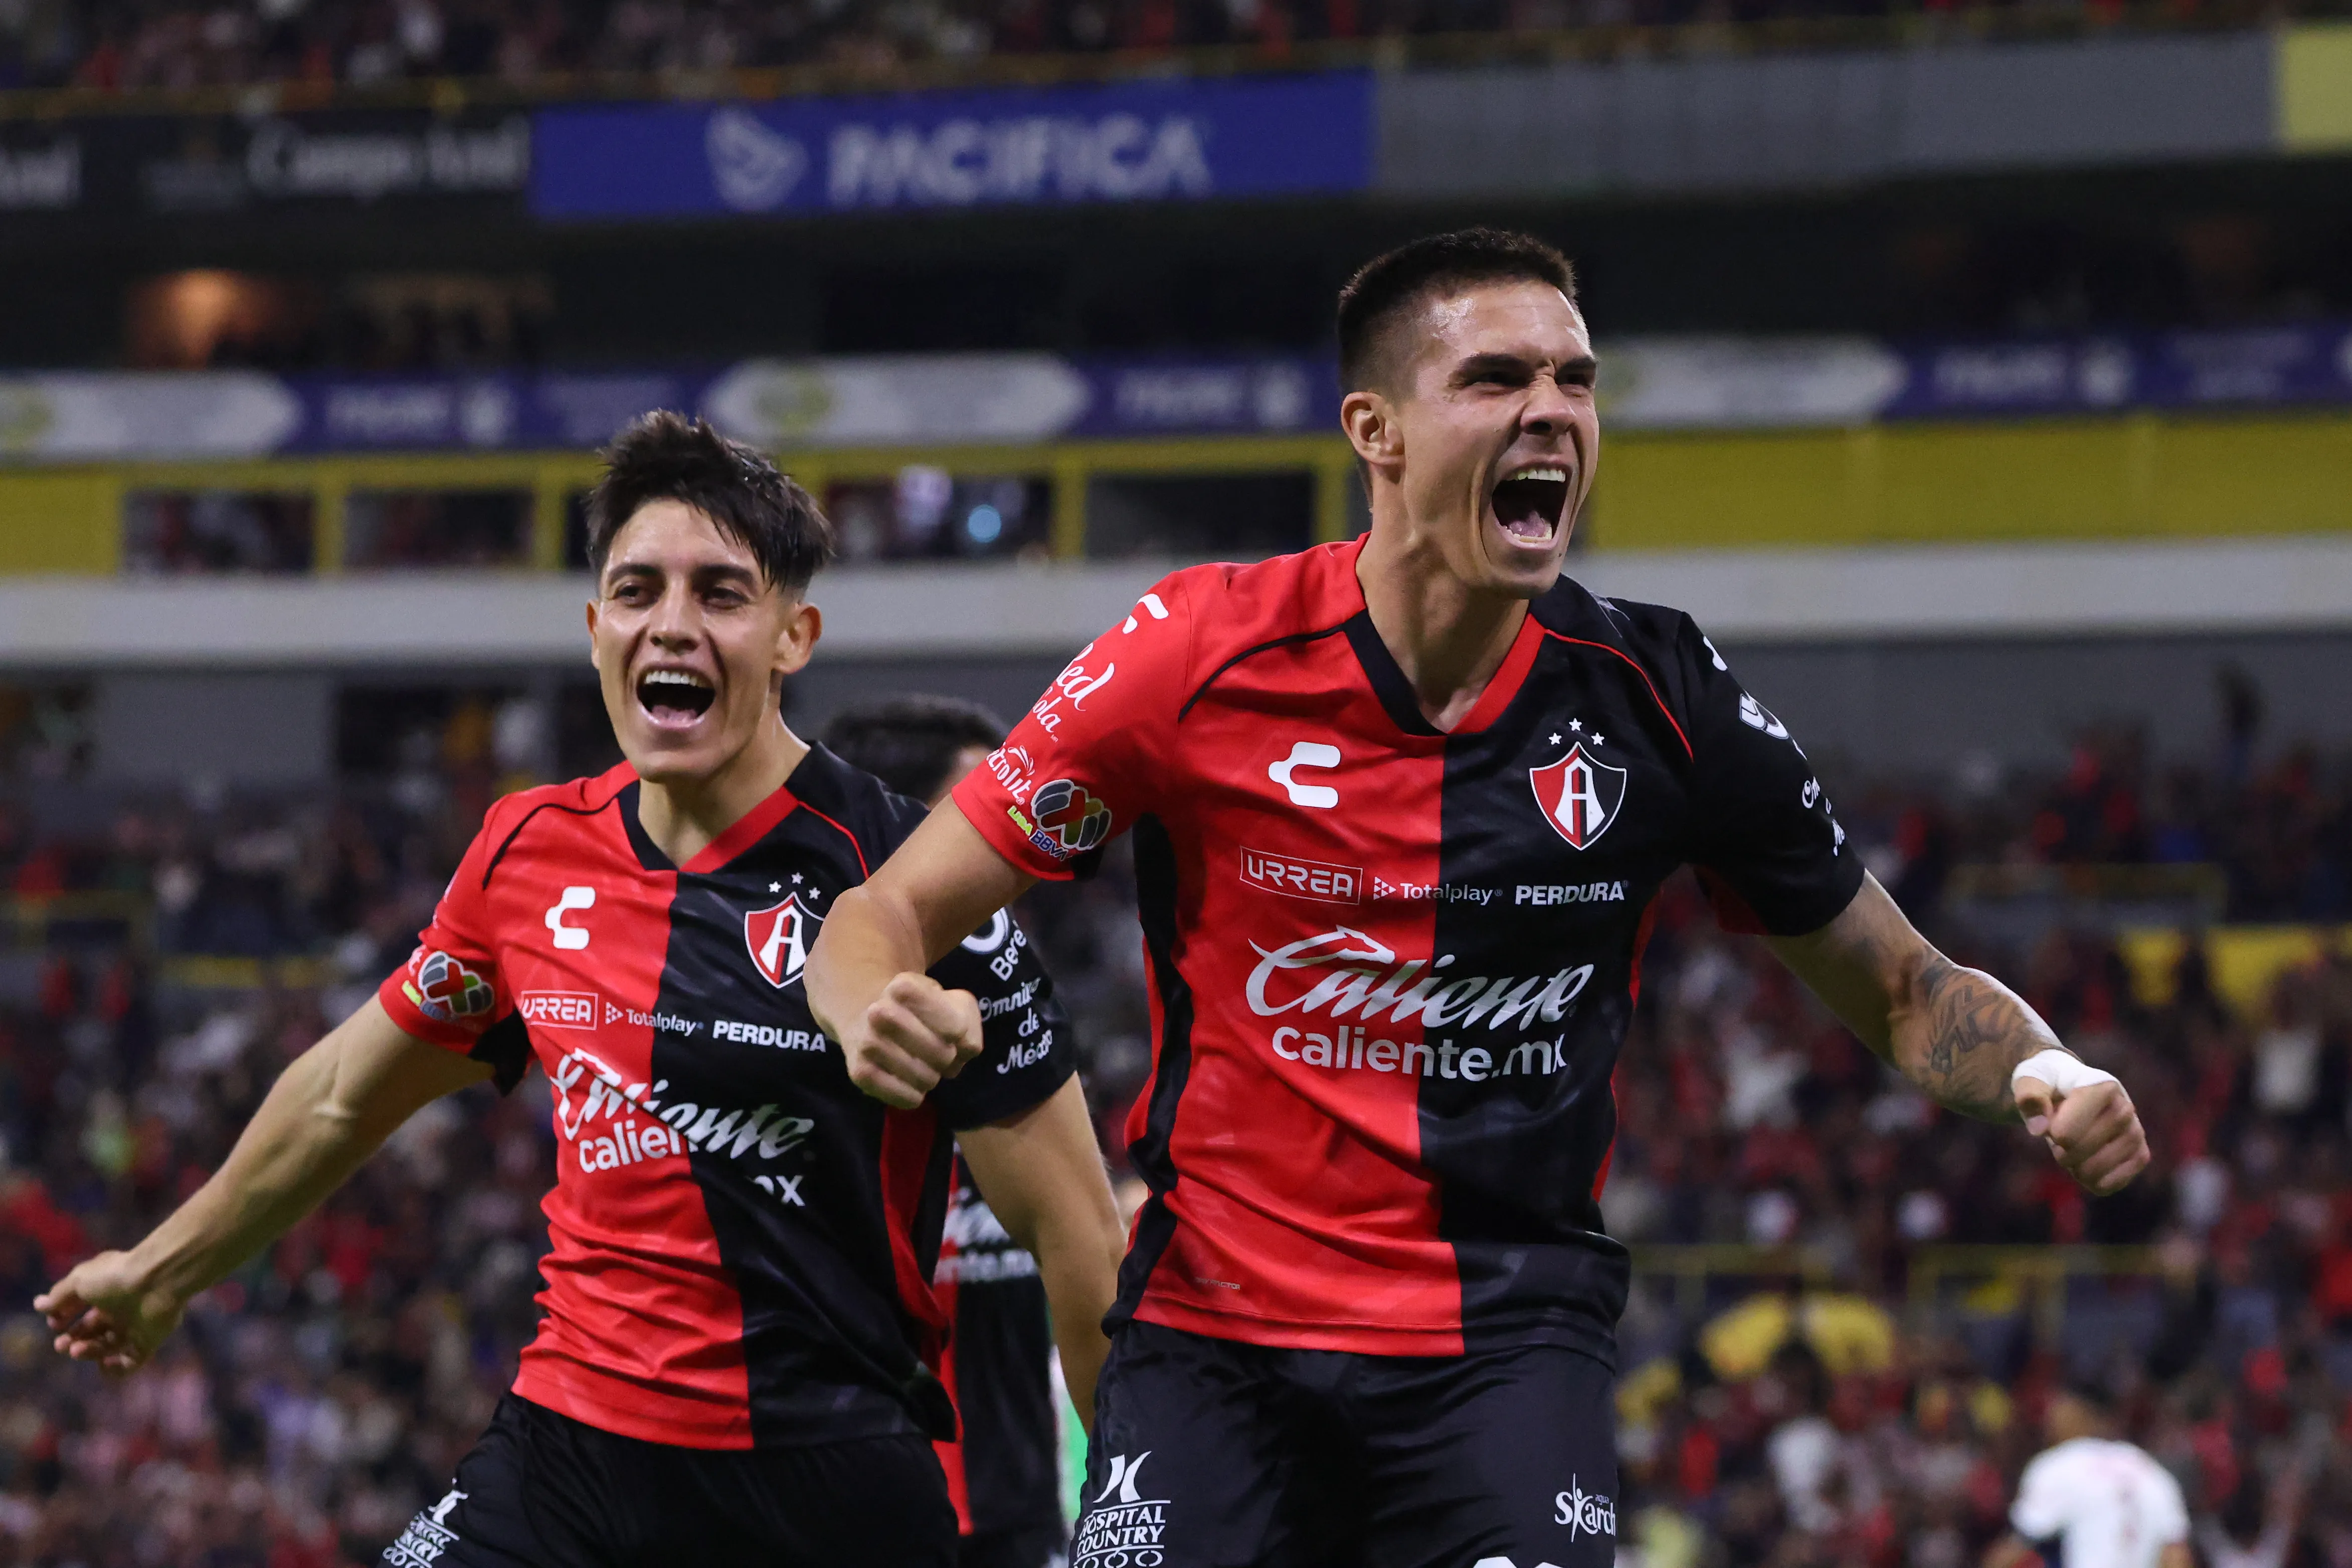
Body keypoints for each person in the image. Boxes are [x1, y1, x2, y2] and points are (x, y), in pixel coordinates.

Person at [803, 228, 2152, 1568]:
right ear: (1375, 431)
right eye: (1499, 379)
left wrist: (2039, 1064)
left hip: (1502, 1350)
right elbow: (882, 911)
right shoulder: (1196, 656)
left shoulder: (1660, 698)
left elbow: (1906, 992)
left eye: (1575, 381)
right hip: (1217, 1342)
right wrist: (868, 1008)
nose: (1552, 413)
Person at [38, 413, 1126, 1568]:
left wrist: (1122, 1528)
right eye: (638, 589)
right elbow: (342, 1096)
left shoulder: (917, 878)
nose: (672, 623)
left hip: (825, 1478)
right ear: (596, 624)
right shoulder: (527, 852)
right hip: (565, 1456)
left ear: (792, 634)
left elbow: (1081, 1237)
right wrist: (160, 1272)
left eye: (720, 592)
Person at [824, 695, 1071, 1568]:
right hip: (862, 1520)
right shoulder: (803, 1060)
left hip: (1025, 1524)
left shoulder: (1022, 1028)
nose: (1013, 844)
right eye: (974, 814)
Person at [1982, 1382, 2191, 1568]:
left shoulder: (2060, 1465)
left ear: (2078, 1414)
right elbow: (2176, 1557)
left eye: (2059, 1410)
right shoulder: (2151, 1472)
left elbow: (2013, 1549)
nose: (2050, 1420)